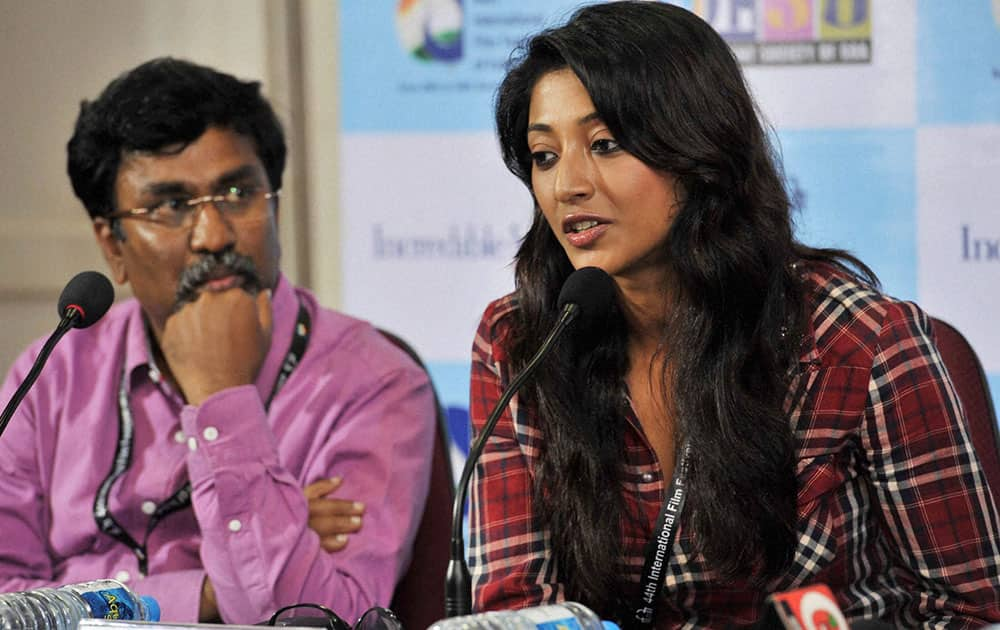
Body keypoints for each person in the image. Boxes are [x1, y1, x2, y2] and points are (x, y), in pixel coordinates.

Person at [468, 2, 1000, 628]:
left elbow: (972, 610)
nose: (567, 187)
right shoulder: (521, 340)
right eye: (544, 155)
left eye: (605, 144)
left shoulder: (860, 342)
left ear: (699, 152)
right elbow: (519, 612)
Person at [0, 58, 436, 625]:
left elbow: (322, 620)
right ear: (112, 244)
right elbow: (9, 603)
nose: (214, 235)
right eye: (172, 206)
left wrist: (221, 401)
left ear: (273, 201)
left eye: (237, 192)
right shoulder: (56, 371)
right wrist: (207, 592)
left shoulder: (374, 381)